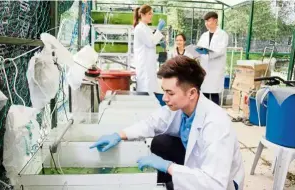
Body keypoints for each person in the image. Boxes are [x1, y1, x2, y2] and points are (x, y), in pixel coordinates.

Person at [90, 56, 244, 190]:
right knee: (161, 142)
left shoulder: (216, 124)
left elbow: (214, 183)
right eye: (164, 91)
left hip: (218, 183)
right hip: (197, 167)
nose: (164, 98)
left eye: (170, 93)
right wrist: (119, 135)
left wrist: (168, 166)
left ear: (191, 93)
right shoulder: (180, 108)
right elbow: (151, 123)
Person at [195, 11, 228, 105]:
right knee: (204, 93)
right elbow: (199, 48)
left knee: (214, 94)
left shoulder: (222, 34)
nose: (206, 23)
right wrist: (197, 52)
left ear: (215, 21)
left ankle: (215, 116)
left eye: (208, 21)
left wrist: (208, 53)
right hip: (205, 68)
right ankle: (204, 114)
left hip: (216, 68)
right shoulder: (204, 35)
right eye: (205, 21)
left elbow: (221, 50)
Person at [133, 4, 166, 93]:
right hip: (144, 65)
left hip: (148, 64)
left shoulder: (146, 28)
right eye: (149, 13)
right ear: (142, 15)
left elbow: (151, 41)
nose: (152, 16)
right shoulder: (139, 28)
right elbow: (150, 43)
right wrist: (158, 29)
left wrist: (160, 42)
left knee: (150, 89)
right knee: (146, 90)